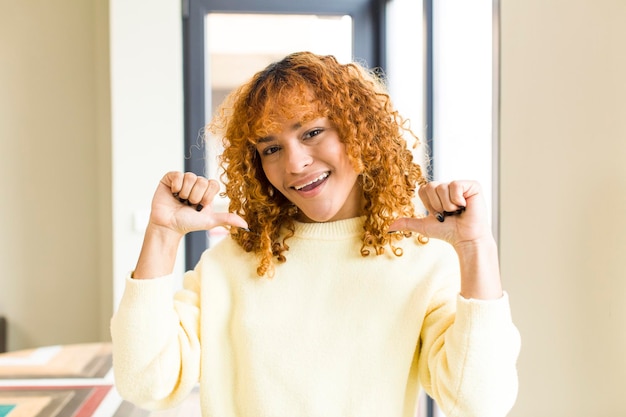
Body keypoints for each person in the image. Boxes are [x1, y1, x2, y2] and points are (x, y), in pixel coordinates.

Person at [110, 51, 520, 417]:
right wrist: (161, 236)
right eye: (270, 148)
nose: (295, 163)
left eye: (311, 133)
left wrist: (475, 249)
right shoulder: (232, 262)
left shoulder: (423, 258)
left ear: (360, 130)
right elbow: (146, 384)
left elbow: (479, 404)